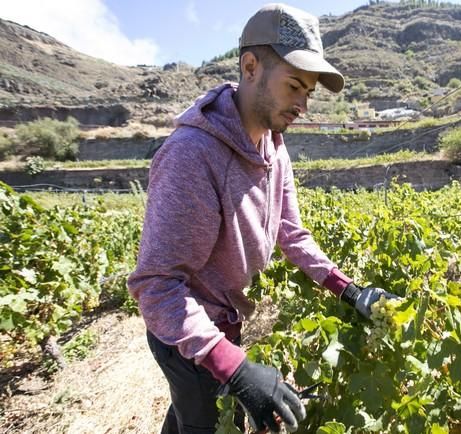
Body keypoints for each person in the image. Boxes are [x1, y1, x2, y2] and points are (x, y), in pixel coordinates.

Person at [127, 3, 398, 433]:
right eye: (294, 86)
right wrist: (233, 366)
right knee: (207, 422)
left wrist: (347, 289)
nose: (303, 105)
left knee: (189, 418)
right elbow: (157, 287)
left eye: (308, 92)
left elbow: (290, 232)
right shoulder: (191, 156)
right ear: (250, 66)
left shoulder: (274, 144)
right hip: (187, 334)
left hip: (223, 324)